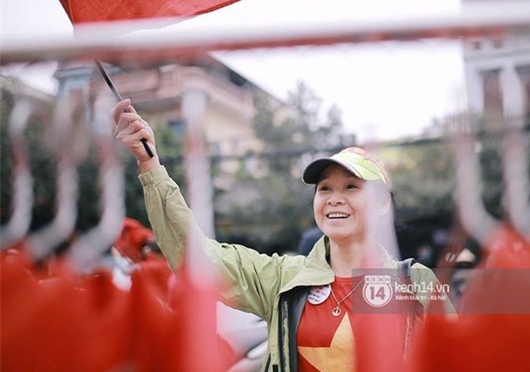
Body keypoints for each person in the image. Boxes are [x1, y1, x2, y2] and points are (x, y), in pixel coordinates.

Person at [111, 99, 454, 372]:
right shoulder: (285, 281)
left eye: (351, 187)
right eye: (325, 188)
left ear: (382, 204)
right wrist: (151, 168)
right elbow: (198, 257)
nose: (335, 198)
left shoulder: (414, 282)